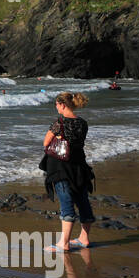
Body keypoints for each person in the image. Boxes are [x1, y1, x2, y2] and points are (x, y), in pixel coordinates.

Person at [40, 92, 94, 252]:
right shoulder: (83, 123)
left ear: (62, 104)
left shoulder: (59, 122)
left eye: (56, 105)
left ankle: (63, 244)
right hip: (79, 166)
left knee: (66, 202)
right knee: (82, 200)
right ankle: (84, 239)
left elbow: (46, 142)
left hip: (60, 167)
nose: (56, 107)